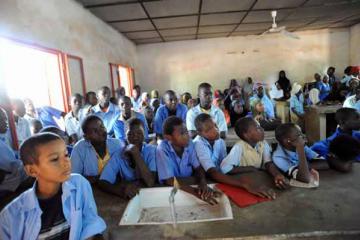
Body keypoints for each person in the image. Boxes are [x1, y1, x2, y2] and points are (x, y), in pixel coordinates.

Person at [0, 133, 106, 239]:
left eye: (66, 155)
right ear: (32, 170)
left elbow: (90, 220)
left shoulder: (79, 184)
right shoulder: (11, 216)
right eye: (54, 159)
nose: (66, 162)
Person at [194, 114, 277, 198]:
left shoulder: (220, 142)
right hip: (206, 178)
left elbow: (224, 166)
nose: (216, 130)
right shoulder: (198, 144)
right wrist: (245, 185)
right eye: (208, 130)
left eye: (215, 125)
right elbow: (212, 172)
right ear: (199, 133)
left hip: (221, 177)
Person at [156, 116, 218, 204]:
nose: (187, 136)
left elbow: (198, 167)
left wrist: (203, 182)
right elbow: (169, 180)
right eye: (182, 133)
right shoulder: (162, 149)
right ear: (168, 137)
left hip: (187, 182)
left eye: (186, 131)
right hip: (172, 187)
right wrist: (196, 193)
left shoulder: (190, 144)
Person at [221, 117, 288, 191]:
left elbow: (268, 162)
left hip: (256, 177)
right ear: (246, 135)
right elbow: (225, 168)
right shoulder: (239, 147)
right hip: (244, 179)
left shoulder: (263, 143)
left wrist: (276, 174)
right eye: (258, 128)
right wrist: (250, 168)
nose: (262, 130)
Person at [98, 118, 157, 199]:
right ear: (125, 136)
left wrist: (136, 153)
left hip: (150, 195)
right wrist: (121, 191)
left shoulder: (151, 151)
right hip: (128, 197)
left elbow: (150, 182)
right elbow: (103, 181)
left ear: (144, 135)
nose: (135, 137)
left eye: (139, 133)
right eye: (130, 134)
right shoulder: (118, 154)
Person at [70, 115, 124, 182]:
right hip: (90, 188)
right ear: (86, 137)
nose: (101, 132)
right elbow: (74, 177)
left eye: (102, 127)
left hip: (115, 185)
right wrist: (101, 180)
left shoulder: (117, 144)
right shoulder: (79, 149)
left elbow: (124, 171)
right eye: (95, 131)